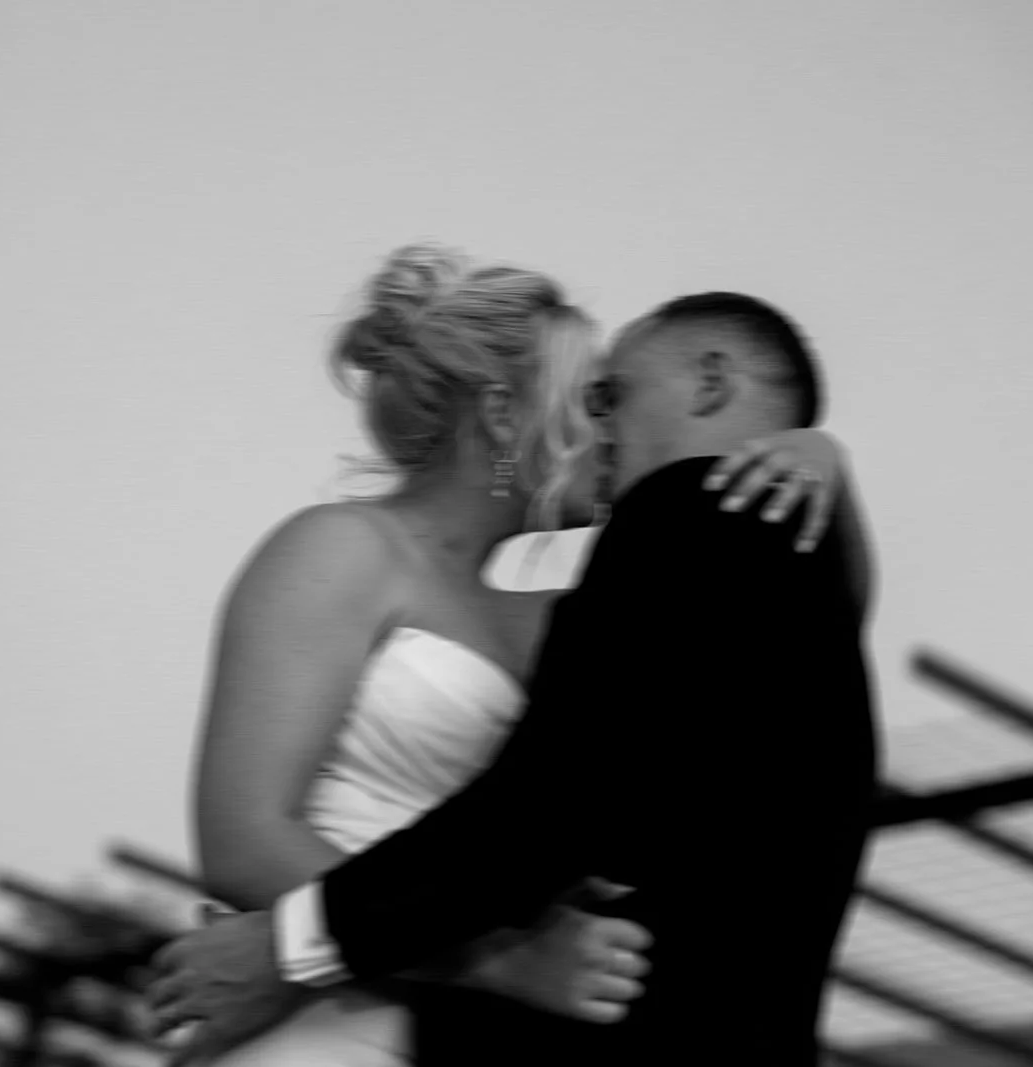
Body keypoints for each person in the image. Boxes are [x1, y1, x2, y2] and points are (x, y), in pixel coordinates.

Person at [153, 248, 868, 1064]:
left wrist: (821, 462)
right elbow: (243, 841)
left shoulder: (564, 613)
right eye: (589, 401)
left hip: (453, 1033)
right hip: (330, 1029)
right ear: (502, 416)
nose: (607, 433)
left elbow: (568, 799)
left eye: (614, 400)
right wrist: (501, 962)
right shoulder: (339, 549)